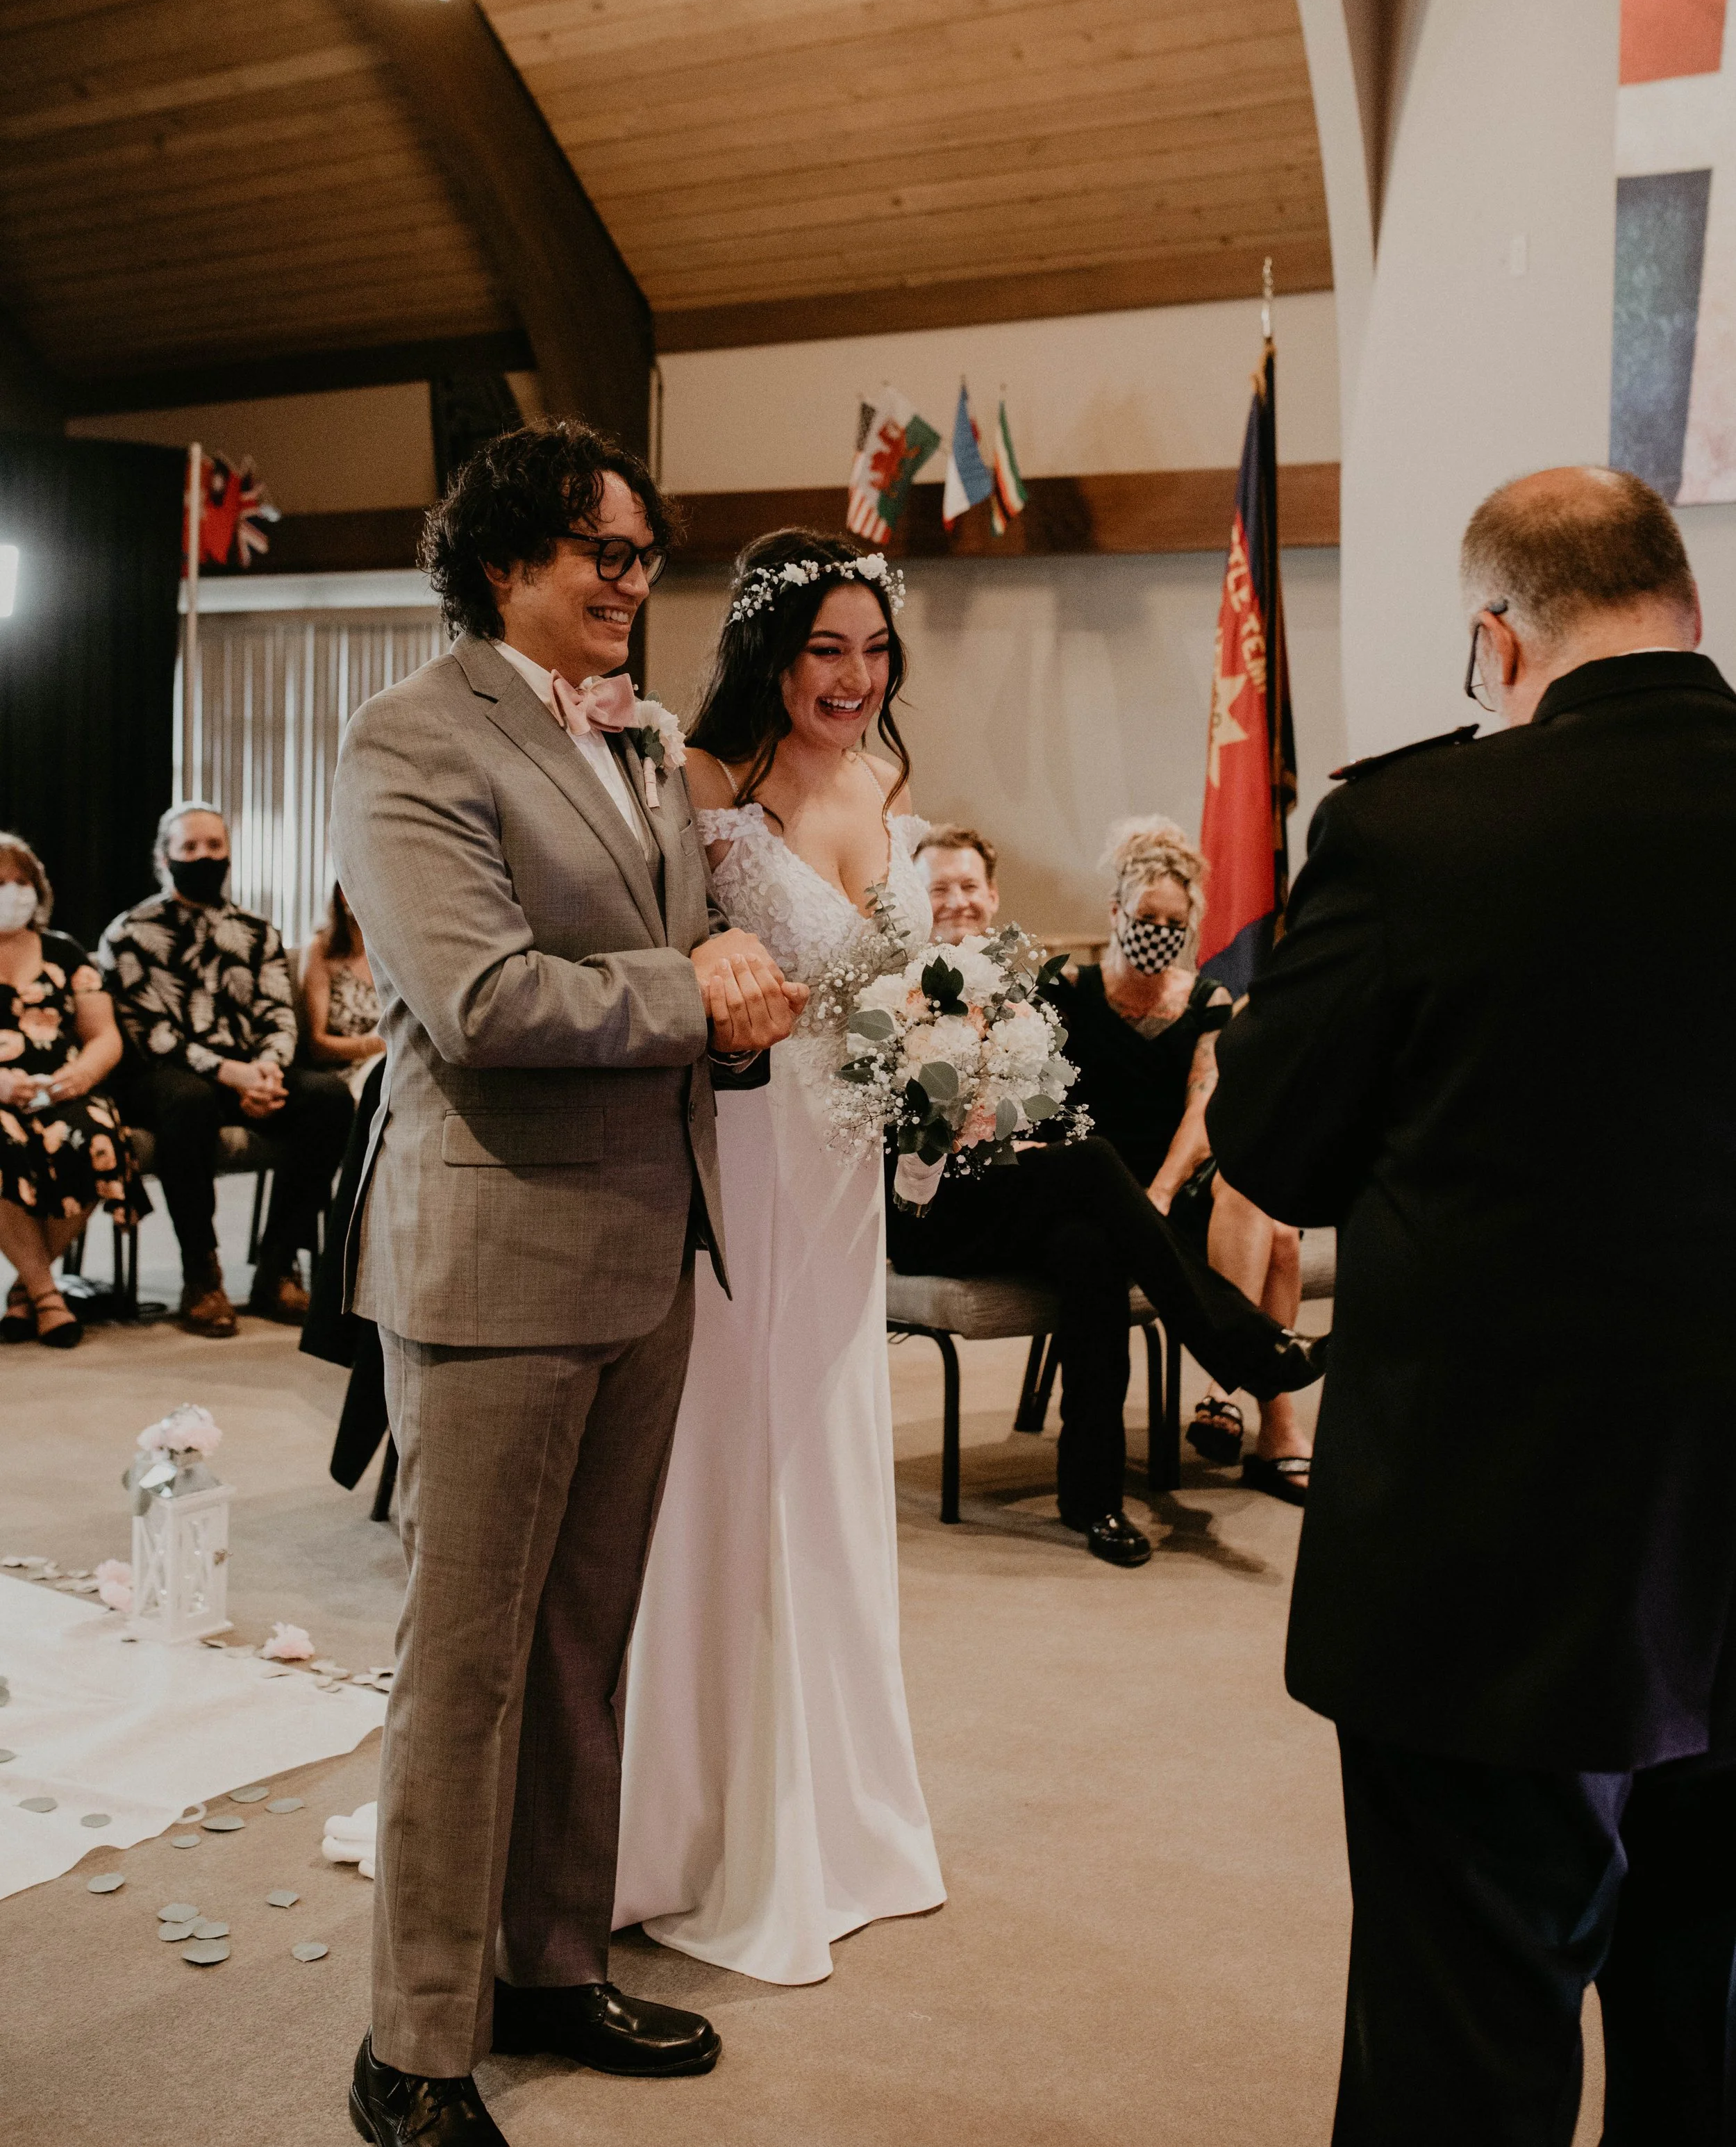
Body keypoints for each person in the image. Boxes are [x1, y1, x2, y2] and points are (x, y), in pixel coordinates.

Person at [1208, 465, 1736, 2146]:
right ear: (1687, 606)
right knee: (1713, 2009)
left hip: (1496, 1533)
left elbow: (1279, 1153)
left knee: (1470, 2020)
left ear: (1498, 639)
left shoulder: (1408, 829)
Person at [329, 425, 803, 2147]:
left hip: (644, 1246)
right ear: (506, 554)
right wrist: (699, 992)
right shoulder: (408, 737)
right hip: (500, 1254)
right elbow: (482, 997)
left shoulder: (650, 740)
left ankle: (545, 1958)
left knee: (587, 1641)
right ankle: (415, 2039)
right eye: (605, 548)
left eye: (644, 552)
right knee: (466, 1666)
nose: (632, 578)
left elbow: (668, 962)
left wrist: (736, 1005)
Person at [614, 529, 947, 1984]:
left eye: (874, 650)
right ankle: (700, 1822)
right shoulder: (695, 785)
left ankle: (846, 1812)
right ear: (769, 648)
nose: (854, 678)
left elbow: (914, 978)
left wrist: (964, 1047)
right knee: (736, 1456)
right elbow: (674, 967)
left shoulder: (883, 781)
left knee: (827, 1453)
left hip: (847, 1170)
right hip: (745, 1166)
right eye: (826, 649)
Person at [889, 828, 1326, 1567]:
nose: (958, 900)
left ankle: (1092, 1501)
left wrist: (1021, 1138)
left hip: (1008, 1200)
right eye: (939, 888)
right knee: (1092, 1164)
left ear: (992, 897)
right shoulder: (892, 988)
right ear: (911, 899)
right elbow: (897, 1147)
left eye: (970, 887)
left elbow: (1051, 1111)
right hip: (928, 1211)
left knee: (1089, 1248)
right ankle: (1244, 1344)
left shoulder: (1016, 996)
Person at [1044, 820, 1312, 1504]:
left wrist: (1162, 1193)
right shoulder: (1065, 990)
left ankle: (1224, 1396)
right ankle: (1274, 1428)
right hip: (1096, 1183)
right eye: (1145, 918)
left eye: (1174, 922)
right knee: (1281, 1244)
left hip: (1169, 1180)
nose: (1158, 932)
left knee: (1255, 1199)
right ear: (1115, 913)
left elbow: (1203, 1110)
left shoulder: (1203, 1000)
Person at [99, 804, 352, 1336]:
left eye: (214, 846)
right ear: (165, 857)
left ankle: (278, 1265)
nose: (203, 857)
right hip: (163, 1077)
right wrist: (229, 1074)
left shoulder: (257, 932)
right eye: (189, 847)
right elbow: (152, 1035)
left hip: (248, 1071)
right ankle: (202, 1273)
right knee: (187, 1100)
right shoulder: (130, 933)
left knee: (328, 1097)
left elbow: (279, 1014)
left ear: (229, 853)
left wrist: (268, 1070)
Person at [0, 832, 148, 1350]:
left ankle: (25, 1288)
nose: (13, 893)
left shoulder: (65, 952)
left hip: (63, 1088)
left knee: (100, 1136)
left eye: (23, 882)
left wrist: (79, 1077)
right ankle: (46, 1296)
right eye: (0, 883)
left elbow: (104, 1035)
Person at [301, 882, 385, 1093]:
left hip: (388, 1064)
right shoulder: (321, 950)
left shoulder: (385, 951)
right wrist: (376, 1046)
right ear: (344, 895)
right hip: (345, 1075)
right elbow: (317, 1045)